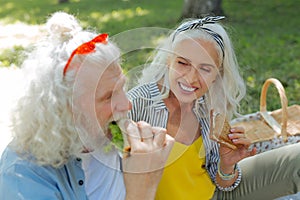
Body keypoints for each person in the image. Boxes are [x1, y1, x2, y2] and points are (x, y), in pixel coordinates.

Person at [0, 11, 174, 200]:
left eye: (121, 87)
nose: (127, 104)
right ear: (64, 109)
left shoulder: (111, 138)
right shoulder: (22, 176)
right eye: (108, 97)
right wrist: (142, 189)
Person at [126, 16, 300, 199]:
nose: (191, 78)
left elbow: (223, 183)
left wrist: (226, 165)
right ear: (169, 60)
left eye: (205, 69)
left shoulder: (210, 108)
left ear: (217, 75)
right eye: (182, 63)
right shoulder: (136, 104)